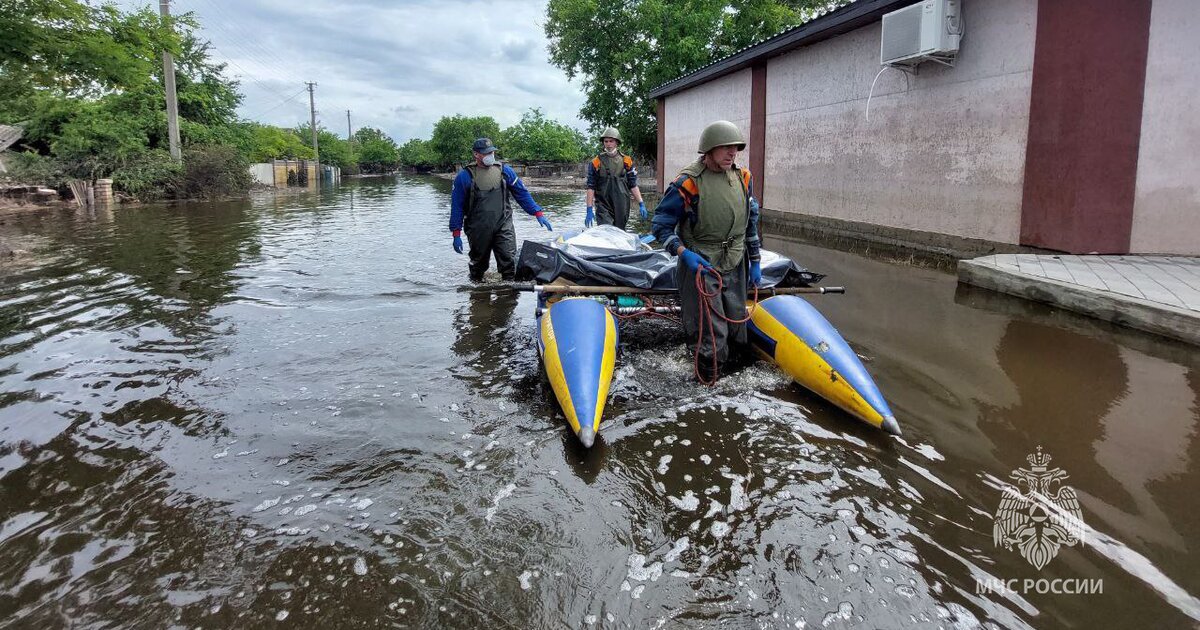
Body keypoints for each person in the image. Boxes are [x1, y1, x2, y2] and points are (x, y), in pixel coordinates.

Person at [651, 120, 762, 384]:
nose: (732, 153)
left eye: (735, 147)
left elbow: (751, 220)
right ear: (709, 150)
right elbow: (660, 226)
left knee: (737, 326)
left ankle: (732, 385)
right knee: (711, 334)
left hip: (735, 260)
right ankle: (706, 384)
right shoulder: (687, 183)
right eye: (725, 147)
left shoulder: (743, 178)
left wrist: (755, 260)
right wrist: (682, 252)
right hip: (701, 263)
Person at [450, 137, 553, 282]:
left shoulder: (505, 172)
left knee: (510, 263)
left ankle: (508, 299)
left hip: (503, 225)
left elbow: (521, 193)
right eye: (486, 153)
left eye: (492, 152)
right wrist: (456, 233)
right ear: (476, 154)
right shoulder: (464, 177)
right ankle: (477, 298)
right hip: (478, 228)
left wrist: (537, 212)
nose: (490, 155)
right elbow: (457, 207)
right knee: (478, 267)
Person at [584, 127, 646, 230]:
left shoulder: (626, 161)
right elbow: (591, 186)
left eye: (611, 141)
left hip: (622, 204)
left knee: (619, 231)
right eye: (606, 141)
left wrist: (641, 203)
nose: (608, 144)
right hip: (603, 204)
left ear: (617, 142)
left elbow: (633, 184)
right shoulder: (596, 162)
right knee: (606, 230)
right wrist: (589, 209)